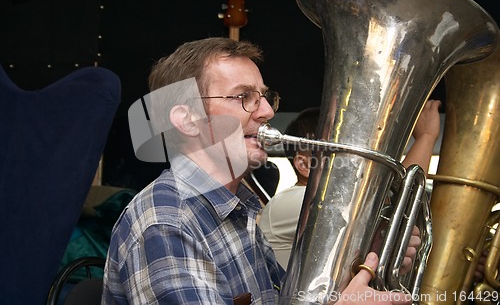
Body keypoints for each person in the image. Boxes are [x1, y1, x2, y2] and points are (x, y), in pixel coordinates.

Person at [102, 37, 414, 304]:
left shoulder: (238, 208)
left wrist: (364, 259)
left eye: (265, 97)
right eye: (244, 97)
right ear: (187, 120)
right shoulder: (165, 222)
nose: (267, 111)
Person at [258, 101, 441, 269]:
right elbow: (388, 210)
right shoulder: (289, 202)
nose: (357, 163)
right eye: (343, 155)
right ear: (304, 165)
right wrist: (426, 137)